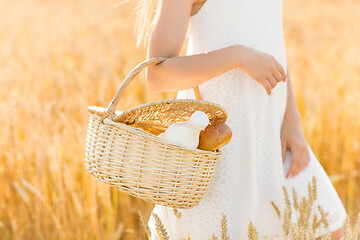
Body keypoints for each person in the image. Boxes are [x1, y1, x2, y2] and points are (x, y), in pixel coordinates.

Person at [132, 0, 347, 239]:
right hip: (219, 143)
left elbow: (273, 45)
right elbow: (158, 75)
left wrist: (292, 121)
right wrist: (238, 56)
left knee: (328, 227)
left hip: (270, 133)